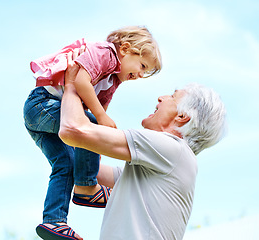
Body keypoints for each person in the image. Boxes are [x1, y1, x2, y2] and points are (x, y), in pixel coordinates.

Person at [58, 53, 227, 240]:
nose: (161, 97)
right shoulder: (159, 166)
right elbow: (84, 169)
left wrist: (73, 84)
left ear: (182, 116)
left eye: (172, 96)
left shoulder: (172, 148)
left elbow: (72, 130)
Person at [24, 26, 162, 239]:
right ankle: (86, 186)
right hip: (43, 105)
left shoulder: (113, 81)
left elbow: (95, 114)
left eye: (146, 72)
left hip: (50, 118)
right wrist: (100, 118)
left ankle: (54, 221)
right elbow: (80, 81)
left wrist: (101, 123)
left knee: (65, 163)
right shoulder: (105, 52)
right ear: (125, 49)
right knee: (91, 124)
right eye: (142, 65)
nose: (141, 74)